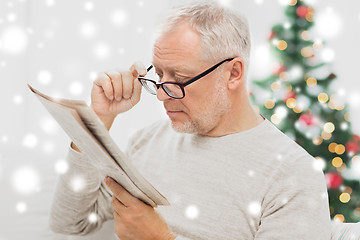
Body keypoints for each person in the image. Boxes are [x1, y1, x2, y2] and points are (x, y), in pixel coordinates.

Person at [49, 1, 332, 239]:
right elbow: (70, 223)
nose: (161, 95)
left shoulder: (293, 174)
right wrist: (98, 120)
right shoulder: (148, 141)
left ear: (233, 73)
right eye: (159, 75)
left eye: (180, 79)